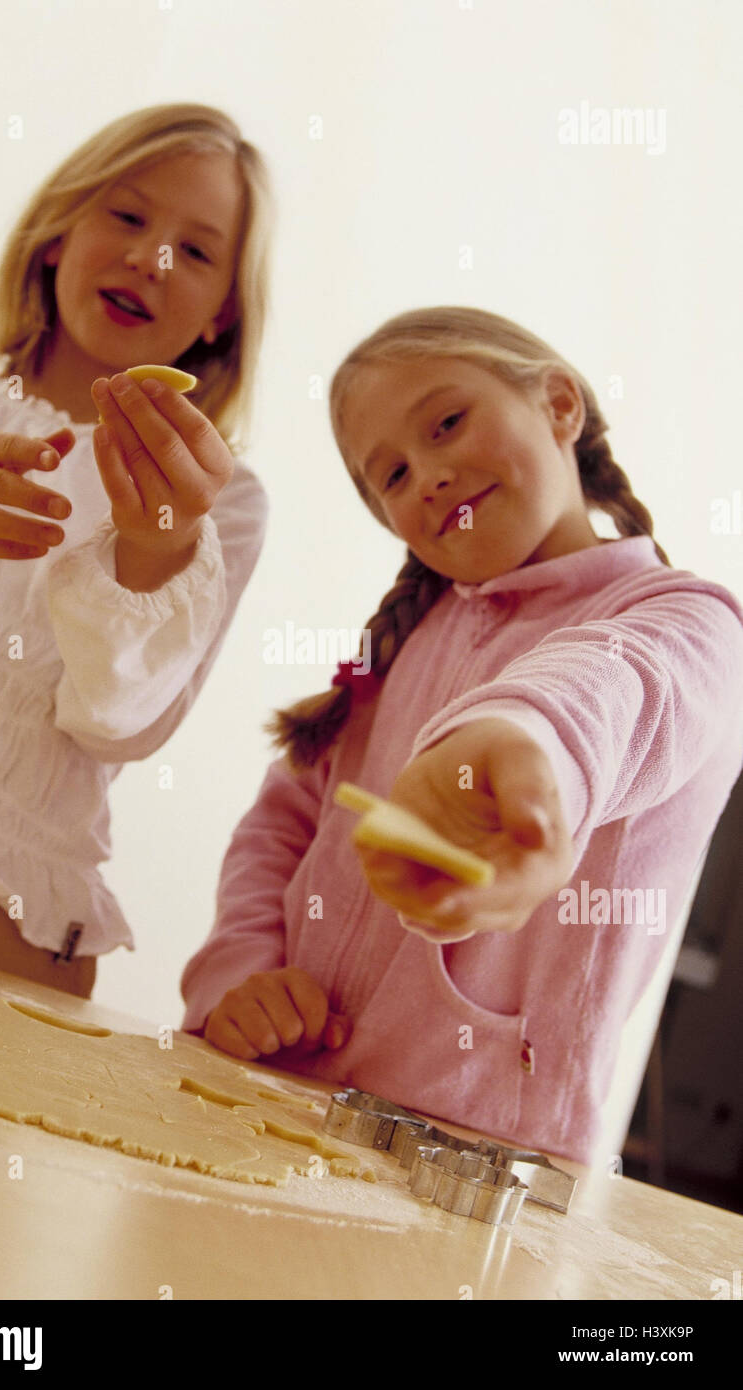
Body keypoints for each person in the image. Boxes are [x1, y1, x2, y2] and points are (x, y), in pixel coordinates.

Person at [180, 306, 743, 1164]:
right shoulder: (402, 645)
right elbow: (279, 829)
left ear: (559, 405)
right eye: (394, 476)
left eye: (448, 424)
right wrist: (240, 975)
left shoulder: (689, 623)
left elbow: (611, 689)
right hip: (270, 1102)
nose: (430, 476)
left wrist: (524, 749)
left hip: (469, 1163)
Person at [0, 104, 273, 998]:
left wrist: (154, 552)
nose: (152, 257)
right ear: (59, 233)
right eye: (129, 216)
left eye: (199, 250)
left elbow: (118, 726)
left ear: (221, 315)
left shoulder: (220, 503)